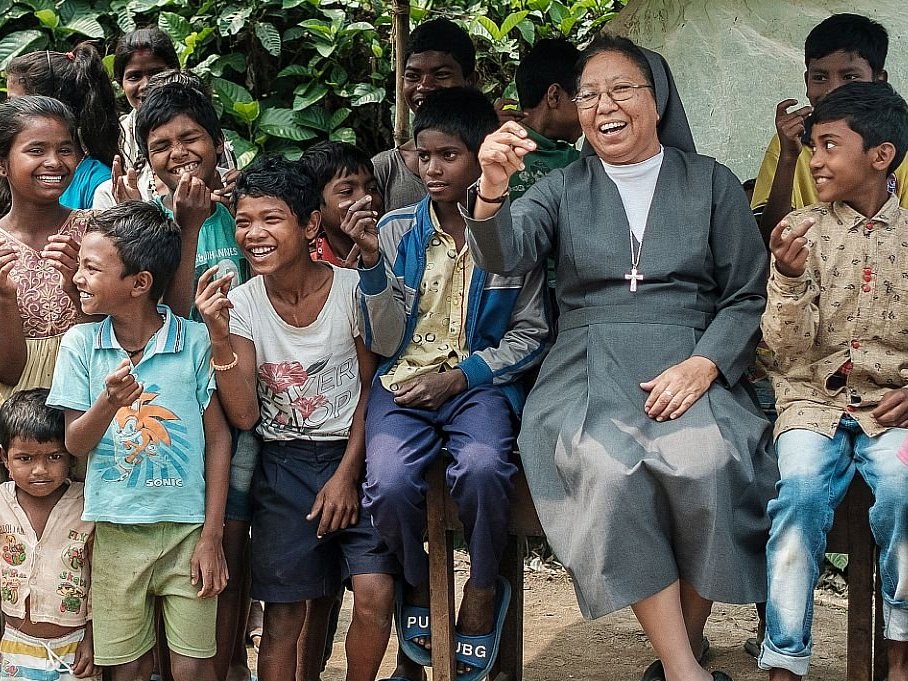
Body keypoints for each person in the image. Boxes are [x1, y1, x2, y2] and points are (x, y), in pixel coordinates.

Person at [465, 34, 776, 681]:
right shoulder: (561, 188)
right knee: (608, 470)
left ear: (656, 98)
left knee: (713, 460)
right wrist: (492, 186)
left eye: (620, 89)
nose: (603, 104)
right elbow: (504, 253)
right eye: (588, 94)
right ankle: (684, 668)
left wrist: (706, 364)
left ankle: (677, 658)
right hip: (587, 366)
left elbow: (748, 294)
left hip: (694, 359)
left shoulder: (712, 183)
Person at [345, 86, 549, 681]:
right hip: (403, 386)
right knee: (386, 482)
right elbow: (382, 342)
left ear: (481, 157)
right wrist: (371, 267)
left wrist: (461, 377)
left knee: (486, 468)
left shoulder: (514, 237)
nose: (433, 169)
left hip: (479, 385)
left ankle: (483, 588)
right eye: (423, 155)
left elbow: (530, 334)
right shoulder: (394, 230)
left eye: (449, 156)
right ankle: (418, 581)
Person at [194, 156, 397, 681]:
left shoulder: (352, 290)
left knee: (375, 592)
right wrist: (218, 336)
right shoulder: (238, 305)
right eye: (244, 221)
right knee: (283, 615)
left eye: (271, 219)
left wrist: (346, 477)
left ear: (309, 226)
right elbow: (244, 413)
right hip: (282, 466)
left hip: (356, 455)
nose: (254, 234)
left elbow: (370, 388)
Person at [759, 80, 908, 681]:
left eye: (828, 145)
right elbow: (784, 352)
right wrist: (788, 281)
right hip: (809, 404)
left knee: (903, 489)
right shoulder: (800, 233)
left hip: (891, 408)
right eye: (813, 145)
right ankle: (785, 659)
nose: (813, 159)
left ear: (880, 155)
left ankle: (900, 650)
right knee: (797, 493)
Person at [46, 201, 230, 681]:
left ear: (139, 283)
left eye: (91, 267)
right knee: (126, 668)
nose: (78, 278)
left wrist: (212, 537)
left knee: (193, 666)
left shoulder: (193, 342)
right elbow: (74, 444)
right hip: (115, 531)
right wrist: (108, 403)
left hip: (188, 531)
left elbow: (219, 440)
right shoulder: (80, 345)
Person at [751, 13, 908, 242]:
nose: (834, 89)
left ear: (879, 81)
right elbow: (770, 239)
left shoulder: (900, 142)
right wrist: (788, 158)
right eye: (820, 77)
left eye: (850, 77)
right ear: (807, 82)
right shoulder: (791, 143)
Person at [0, 388, 98, 680]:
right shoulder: (1, 505)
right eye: (25, 458)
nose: (40, 470)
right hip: (15, 644)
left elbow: (101, 581)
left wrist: (93, 639)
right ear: (5, 458)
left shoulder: (86, 504)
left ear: (71, 455)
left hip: (76, 649)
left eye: (54, 456)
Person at [0, 96, 91, 403]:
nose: (54, 162)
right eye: (36, 150)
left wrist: (77, 289)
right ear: (2, 165)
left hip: (86, 405)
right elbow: (9, 373)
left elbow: (114, 337)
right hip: (14, 426)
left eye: (65, 149)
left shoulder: (96, 231)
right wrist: (4, 297)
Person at [133, 82, 249, 318]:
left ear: (218, 143)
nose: (178, 153)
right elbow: (166, 317)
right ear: (148, 159)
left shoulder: (242, 208)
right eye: (161, 146)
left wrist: (246, 217)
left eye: (189, 138)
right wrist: (188, 229)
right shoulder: (148, 224)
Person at [372, 18, 478, 212]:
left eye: (441, 74)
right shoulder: (385, 170)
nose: (424, 86)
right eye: (413, 76)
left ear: (470, 81)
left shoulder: (495, 157)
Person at [6, 44, 118, 209]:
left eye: (17, 105)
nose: (8, 114)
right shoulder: (17, 173)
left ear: (53, 108)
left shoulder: (99, 185)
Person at [508, 38, 582, 200]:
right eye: (583, 97)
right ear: (554, 96)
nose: (589, 110)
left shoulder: (578, 161)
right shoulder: (495, 152)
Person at [301, 141, 384, 267]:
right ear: (315, 203)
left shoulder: (397, 248)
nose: (366, 198)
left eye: (372, 188)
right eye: (347, 191)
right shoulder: (307, 266)